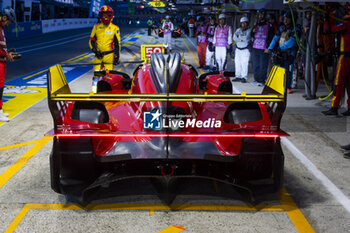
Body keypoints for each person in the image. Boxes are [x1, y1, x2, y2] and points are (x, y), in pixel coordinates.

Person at [322, 3, 350, 116]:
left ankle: (334, 107)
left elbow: (329, 30)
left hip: (344, 58)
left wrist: (327, 17)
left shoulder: (346, 23)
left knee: (338, 83)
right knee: (349, 84)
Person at [267, 10, 301, 93]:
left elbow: (292, 42)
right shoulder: (282, 28)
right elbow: (275, 38)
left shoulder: (296, 29)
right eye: (284, 18)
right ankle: (280, 84)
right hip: (282, 52)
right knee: (279, 68)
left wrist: (280, 48)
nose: (285, 20)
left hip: (290, 53)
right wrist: (270, 48)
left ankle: (288, 87)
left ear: (292, 19)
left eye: (287, 18)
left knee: (289, 70)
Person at [89, 5, 120, 73]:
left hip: (109, 56)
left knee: (109, 75)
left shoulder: (115, 28)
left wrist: (117, 55)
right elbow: (91, 41)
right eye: (104, 15)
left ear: (111, 16)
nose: (105, 17)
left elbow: (117, 43)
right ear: (100, 16)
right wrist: (95, 51)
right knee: (96, 74)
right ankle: (95, 83)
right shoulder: (96, 27)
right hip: (98, 55)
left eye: (108, 15)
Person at [0, 8, 16, 122]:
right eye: (8, 22)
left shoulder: (1, 27)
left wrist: (8, 51)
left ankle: (0, 110)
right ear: (4, 17)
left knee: (1, 87)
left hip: (2, 61)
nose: (8, 24)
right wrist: (6, 54)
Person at [252, 8, 275, 86]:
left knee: (263, 65)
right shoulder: (256, 24)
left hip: (264, 47)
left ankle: (261, 80)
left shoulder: (269, 25)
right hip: (255, 47)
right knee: (256, 64)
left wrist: (268, 47)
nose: (260, 16)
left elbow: (271, 37)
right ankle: (256, 79)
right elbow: (251, 36)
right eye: (259, 14)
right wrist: (253, 31)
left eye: (262, 14)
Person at [233, 16, 252, 83]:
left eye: (245, 23)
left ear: (247, 23)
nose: (243, 25)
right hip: (238, 49)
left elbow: (246, 38)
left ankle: (244, 77)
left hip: (245, 50)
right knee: (237, 63)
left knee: (244, 63)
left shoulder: (249, 30)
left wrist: (239, 39)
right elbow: (234, 38)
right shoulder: (238, 30)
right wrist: (241, 39)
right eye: (242, 23)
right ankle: (238, 76)